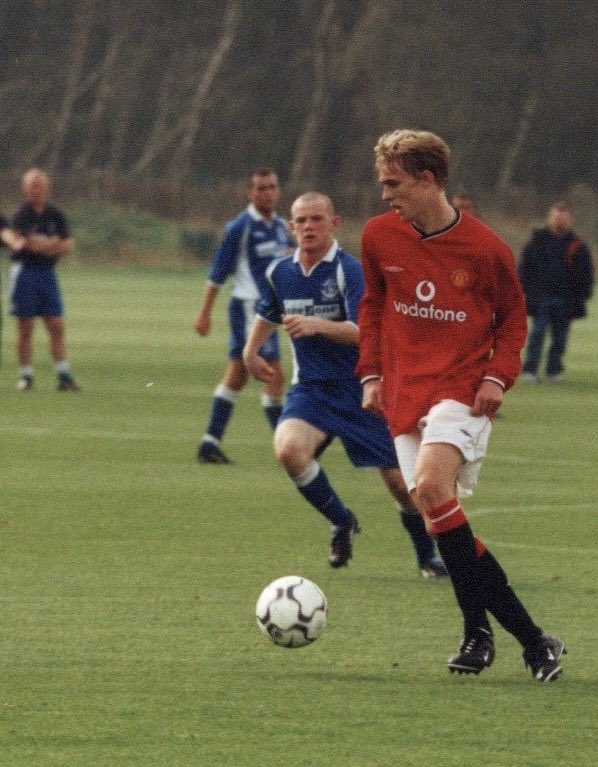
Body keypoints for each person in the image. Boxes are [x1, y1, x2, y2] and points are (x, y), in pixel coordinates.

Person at [356, 129, 566, 681]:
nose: (384, 196)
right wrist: (372, 373)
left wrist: (499, 376)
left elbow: (515, 320)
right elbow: (373, 305)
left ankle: (490, 635)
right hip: (404, 391)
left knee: (428, 489)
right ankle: (522, 638)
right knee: (439, 515)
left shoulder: (486, 248)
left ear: (428, 179)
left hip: (462, 389)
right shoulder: (379, 236)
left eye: (393, 183)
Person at [243, 191, 446, 578]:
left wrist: (317, 325)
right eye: (301, 221)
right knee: (288, 450)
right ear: (291, 227)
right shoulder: (279, 272)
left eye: (317, 219)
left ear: (334, 224)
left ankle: (427, 558)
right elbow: (267, 311)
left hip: (364, 391)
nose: (308, 227)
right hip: (312, 391)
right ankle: (341, 520)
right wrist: (252, 351)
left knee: (403, 486)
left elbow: (365, 332)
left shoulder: (348, 271)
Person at [194, 168, 292, 463]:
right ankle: (286, 447)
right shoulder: (240, 226)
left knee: (237, 377)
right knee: (273, 375)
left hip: (271, 310)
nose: (268, 193)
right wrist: (204, 314)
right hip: (250, 307)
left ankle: (209, 444)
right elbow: (217, 273)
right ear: (250, 193)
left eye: (272, 187)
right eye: (261, 188)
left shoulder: (281, 227)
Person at [7, 169, 78, 391]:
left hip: (47, 274)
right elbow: (24, 242)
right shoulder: (21, 214)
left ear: (46, 189)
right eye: (31, 186)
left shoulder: (55, 214)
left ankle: (63, 375)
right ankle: (26, 376)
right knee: (25, 326)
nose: (35, 190)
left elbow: (68, 245)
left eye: (39, 186)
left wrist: (45, 245)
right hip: (25, 273)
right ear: (25, 189)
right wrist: (51, 245)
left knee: (55, 324)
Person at [517, 201, 594, 384]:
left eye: (564, 218)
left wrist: (583, 295)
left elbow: (586, 273)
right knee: (536, 335)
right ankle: (530, 370)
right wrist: (524, 291)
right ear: (549, 218)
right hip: (541, 297)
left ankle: (554, 370)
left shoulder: (578, 245)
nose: (560, 221)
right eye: (556, 217)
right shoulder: (537, 242)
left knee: (560, 338)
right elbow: (524, 269)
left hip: (566, 299)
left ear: (570, 221)